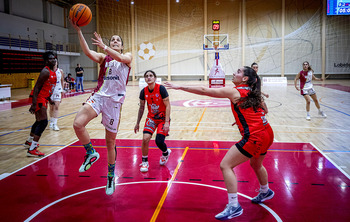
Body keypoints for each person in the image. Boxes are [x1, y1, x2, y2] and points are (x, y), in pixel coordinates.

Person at [164, 66, 275, 220]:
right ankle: (265, 191)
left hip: (254, 136)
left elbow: (204, 90)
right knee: (256, 164)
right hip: (267, 133)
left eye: (238, 72)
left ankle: (234, 206)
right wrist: (242, 118)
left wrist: (179, 86)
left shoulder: (234, 91)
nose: (234, 73)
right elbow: (265, 111)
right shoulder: (254, 92)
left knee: (226, 165)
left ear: (244, 78)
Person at [71, 21, 132, 195]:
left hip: (114, 103)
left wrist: (105, 46)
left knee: (110, 142)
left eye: (117, 41)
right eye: (112, 40)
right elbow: (87, 52)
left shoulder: (126, 57)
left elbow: (121, 58)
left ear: (121, 45)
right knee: (78, 124)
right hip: (99, 97)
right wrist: (79, 31)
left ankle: (111, 176)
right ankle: (90, 153)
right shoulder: (104, 58)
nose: (114, 41)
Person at [134, 70, 171, 173]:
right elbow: (141, 108)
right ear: (145, 79)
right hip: (151, 118)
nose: (148, 77)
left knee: (159, 141)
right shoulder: (143, 91)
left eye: (151, 76)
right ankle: (145, 162)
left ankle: (165, 152)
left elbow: (168, 105)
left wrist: (167, 122)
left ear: (155, 78)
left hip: (163, 118)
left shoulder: (161, 89)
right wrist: (137, 123)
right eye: (146, 76)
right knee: (145, 138)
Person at [23, 51, 57, 157]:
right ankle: (32, 149)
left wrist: (50, 99)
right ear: (46, 61)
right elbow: (37, 87)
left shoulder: (52, 72)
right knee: (43, 122)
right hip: (39, 98)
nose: (54, 60)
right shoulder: (45, 71)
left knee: (38, 121)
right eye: (51, 58)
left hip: (44, 98)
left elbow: (47, 88)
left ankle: (29, 141)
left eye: (54, 58)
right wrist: (34, 103)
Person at [49, 59, 64, 131]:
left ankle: (55, 123)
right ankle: (51, 122)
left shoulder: (60, 71)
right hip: (51, 91)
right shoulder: (49, 71)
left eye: (56, 62)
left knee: (56, 107)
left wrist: (62, 91)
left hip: (58, 91)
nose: (55, 63)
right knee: (51, 107)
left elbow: (62, 81)